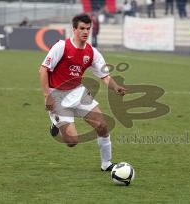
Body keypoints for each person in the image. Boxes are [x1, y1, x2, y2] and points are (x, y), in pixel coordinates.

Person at [39, 14, 126, 171]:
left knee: (103, 125)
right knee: (72, 142)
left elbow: (105, 76)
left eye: (88, 29)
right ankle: (55, 122)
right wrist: (47, 96)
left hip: (78, 93)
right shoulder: (62, 46)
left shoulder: (92, 52)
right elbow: (43, 69)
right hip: (57, 97)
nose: (85, 32)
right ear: (74, 29)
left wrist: (115, 87)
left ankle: (106, 164)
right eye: (82, 28)